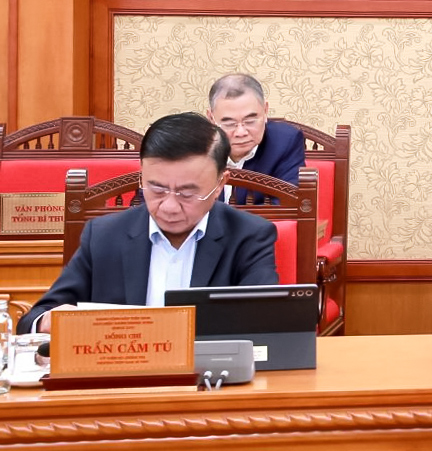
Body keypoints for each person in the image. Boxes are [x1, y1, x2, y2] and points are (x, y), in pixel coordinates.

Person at [20, 113, 280, 333]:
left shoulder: (249, 236)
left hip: (208, 375)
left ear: (220, 183)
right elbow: (34, 319)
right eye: (156, 189)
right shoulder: (104, 235)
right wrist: (46, 321)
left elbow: (265, 323)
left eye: (187, 193)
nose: (169, 206)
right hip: (120, 374)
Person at [207, 73, 305, 204]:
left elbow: (287, 205)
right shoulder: (196, 147)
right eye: (229, 123)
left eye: (250, 121)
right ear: (211, 119)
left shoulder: (285, 142)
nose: (241, 132)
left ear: (265, 110)